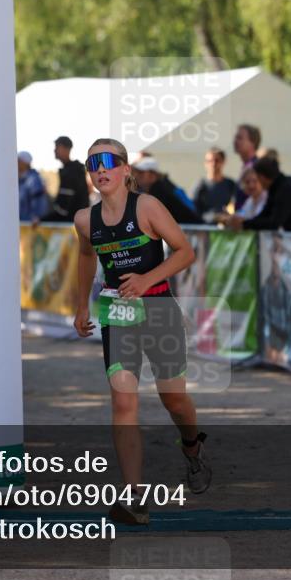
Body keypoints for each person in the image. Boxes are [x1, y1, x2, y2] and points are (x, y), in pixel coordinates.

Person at [73, 137, 211, 525]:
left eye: (108, 162)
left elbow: (185, 251)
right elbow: (86, 256)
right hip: (117, 311)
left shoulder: (147, 207)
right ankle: (134, 497)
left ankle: (192, 446)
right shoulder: (86, 219)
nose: (100, 169)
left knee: (174, 401)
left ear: (125, 170)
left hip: (159, 308)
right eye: (92, 164)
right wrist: (81, 304)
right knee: (122, 402)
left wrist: (146, 278)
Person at [220, 156, 291, 233]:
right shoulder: (278, 189)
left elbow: (274, 222)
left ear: (262, 177)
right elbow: (266, 214)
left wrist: (244, 224)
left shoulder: (287, 189)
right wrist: (244, 223)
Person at [132, 158, 202, 225]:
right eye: (136, 172)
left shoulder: (161, 191)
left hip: (193, 232)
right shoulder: (160, 187)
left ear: (153, 175)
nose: (136, 175)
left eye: (141, 172)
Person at [43, 136, 89, 222]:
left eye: (57, 147)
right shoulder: (70, 170)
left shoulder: (72, 171)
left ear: (66, 149)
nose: (55, 150)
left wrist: (42, 220)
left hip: (72, 226)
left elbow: (63, 209)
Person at [192, 147, 237, 219]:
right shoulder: (200, 185)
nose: (213, 164)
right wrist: (213, 217)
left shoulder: (231, 184)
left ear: (223, 162)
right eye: (209, 161)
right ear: (205, 163)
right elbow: (194, 209)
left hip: (226, 227)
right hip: (204, 228)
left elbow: (235, 206)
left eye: (216, 160)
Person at [232, 124, 261, 210]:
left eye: (240, 138)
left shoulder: (256, 168)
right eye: (235, 138)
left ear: (253, 143)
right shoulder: (246, 166)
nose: (235, 141)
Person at [17, 151, 49, 223]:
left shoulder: (34, 179)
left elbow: (39, 200)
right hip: (22, 222)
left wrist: (37, 216)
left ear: (25, 163)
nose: (16, 163)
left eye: (19, 160)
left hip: (31, 223)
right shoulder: (20, 179)